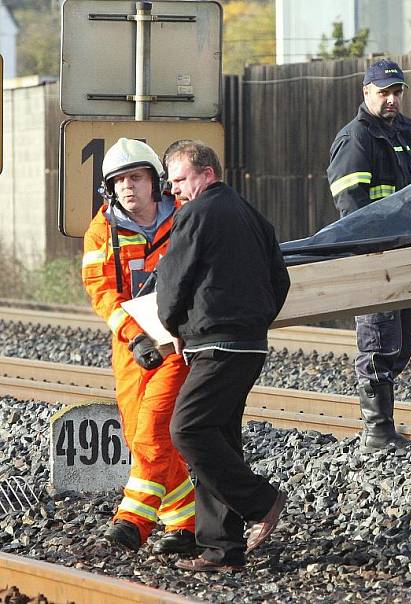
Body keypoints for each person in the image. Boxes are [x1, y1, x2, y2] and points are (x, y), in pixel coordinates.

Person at [156, 141, 291, 572]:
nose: (174, 190)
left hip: (215, 344)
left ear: (207, 174)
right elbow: (280, 280)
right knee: (220, 440)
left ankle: (261, 500)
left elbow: (173, 283)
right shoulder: (253, 216)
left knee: (188, 430)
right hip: (248, 343)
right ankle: (222, 549)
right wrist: (255, 319)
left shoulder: (196, 214)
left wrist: (172, 325)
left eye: (180, 180)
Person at [81, 138, 196, 554]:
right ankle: (187, 523)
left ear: (154, 181)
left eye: (136, 177)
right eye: (120, 180)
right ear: (110, 189)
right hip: (131, 346)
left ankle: (133, 521)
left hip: (176, 343)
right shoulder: (102, 231)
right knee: (138, 436)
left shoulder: (185, 218)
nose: (129, 187)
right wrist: (132, 336)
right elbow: (100, 290)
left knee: (152, 432)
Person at [326, 58, 411, 451]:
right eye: (383, 92)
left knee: (400, 344)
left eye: (396, 92)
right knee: (377, 341)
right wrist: (373, 250)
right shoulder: (357, 137)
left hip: (407, 255)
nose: (391, 100)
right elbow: (351, 205)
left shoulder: (405, 134)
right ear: (366, 92)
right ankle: (377, 431)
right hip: (377, 257)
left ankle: (383, 427)